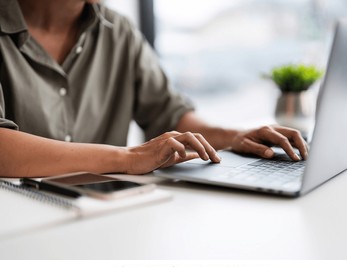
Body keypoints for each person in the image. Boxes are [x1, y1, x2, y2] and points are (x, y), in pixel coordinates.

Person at [0, 0, 308, 178]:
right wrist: (129, 157)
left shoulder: (119, 32)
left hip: (108, 213)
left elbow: (169, 114)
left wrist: (234, 137)